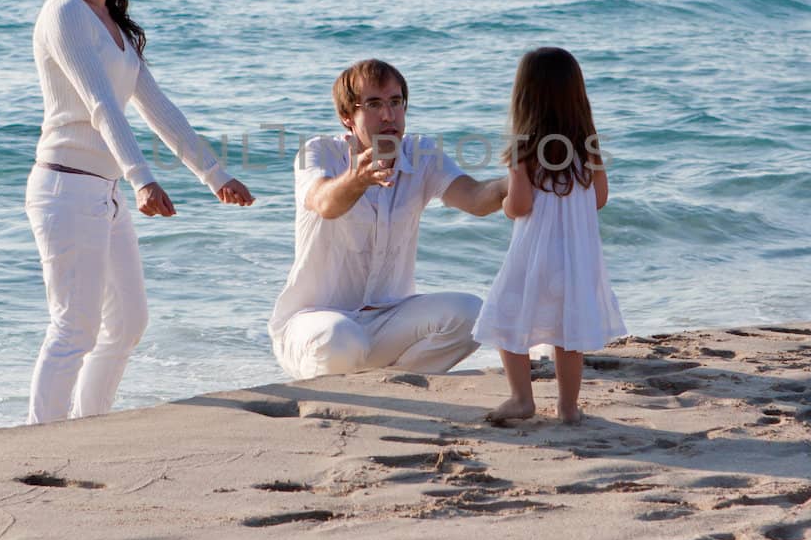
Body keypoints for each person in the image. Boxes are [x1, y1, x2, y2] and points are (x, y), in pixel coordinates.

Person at [26, 0, 254, 425]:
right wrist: (143, 180)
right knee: (73, 328)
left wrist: (214, 174)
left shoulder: (112, 23)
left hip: (100, 193)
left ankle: (88, 424)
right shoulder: (64, 13)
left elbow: (158, 108)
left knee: (127, 323)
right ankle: (39, 438)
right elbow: (102, 107)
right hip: (66, 188)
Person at [268, 59, 509, 380]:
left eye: (396, 102)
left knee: (470, 315)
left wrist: (517, 180)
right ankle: (338, 388)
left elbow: (476, 199)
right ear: (347, 118)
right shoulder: (319, 152)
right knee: (341, 338)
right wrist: (357, 180)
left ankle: (395, 383)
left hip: (387, 320)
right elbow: (324, 202)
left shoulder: (422, 154)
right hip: (313, 323)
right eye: (374, 104)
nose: (388, 115)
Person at [474, 47, 625, 425]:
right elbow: (600, 199)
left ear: (524, 98)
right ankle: (568, 407)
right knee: (567, 333)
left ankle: (521, 399)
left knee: (505, 316)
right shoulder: (589, 149)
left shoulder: (524, 152)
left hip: (535, 259)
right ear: (578, 97)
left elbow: (521, 205)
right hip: (577, 260)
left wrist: (505, 204)